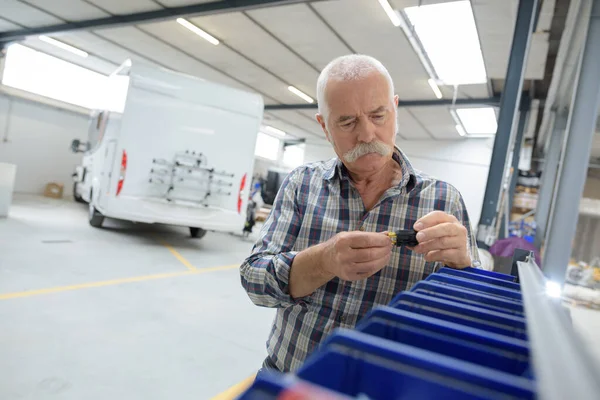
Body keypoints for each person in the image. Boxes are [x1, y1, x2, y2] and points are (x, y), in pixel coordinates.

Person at [240, 54, 480, 374]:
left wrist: (462, 266)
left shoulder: (444, 201)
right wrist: (324, 261)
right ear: (324, 126)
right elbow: (255, 281)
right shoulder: (302, 184)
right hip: (286, 380)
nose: (367, 135)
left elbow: (471, 320)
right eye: (348, 122)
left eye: (379, 115)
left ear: (395, 109)